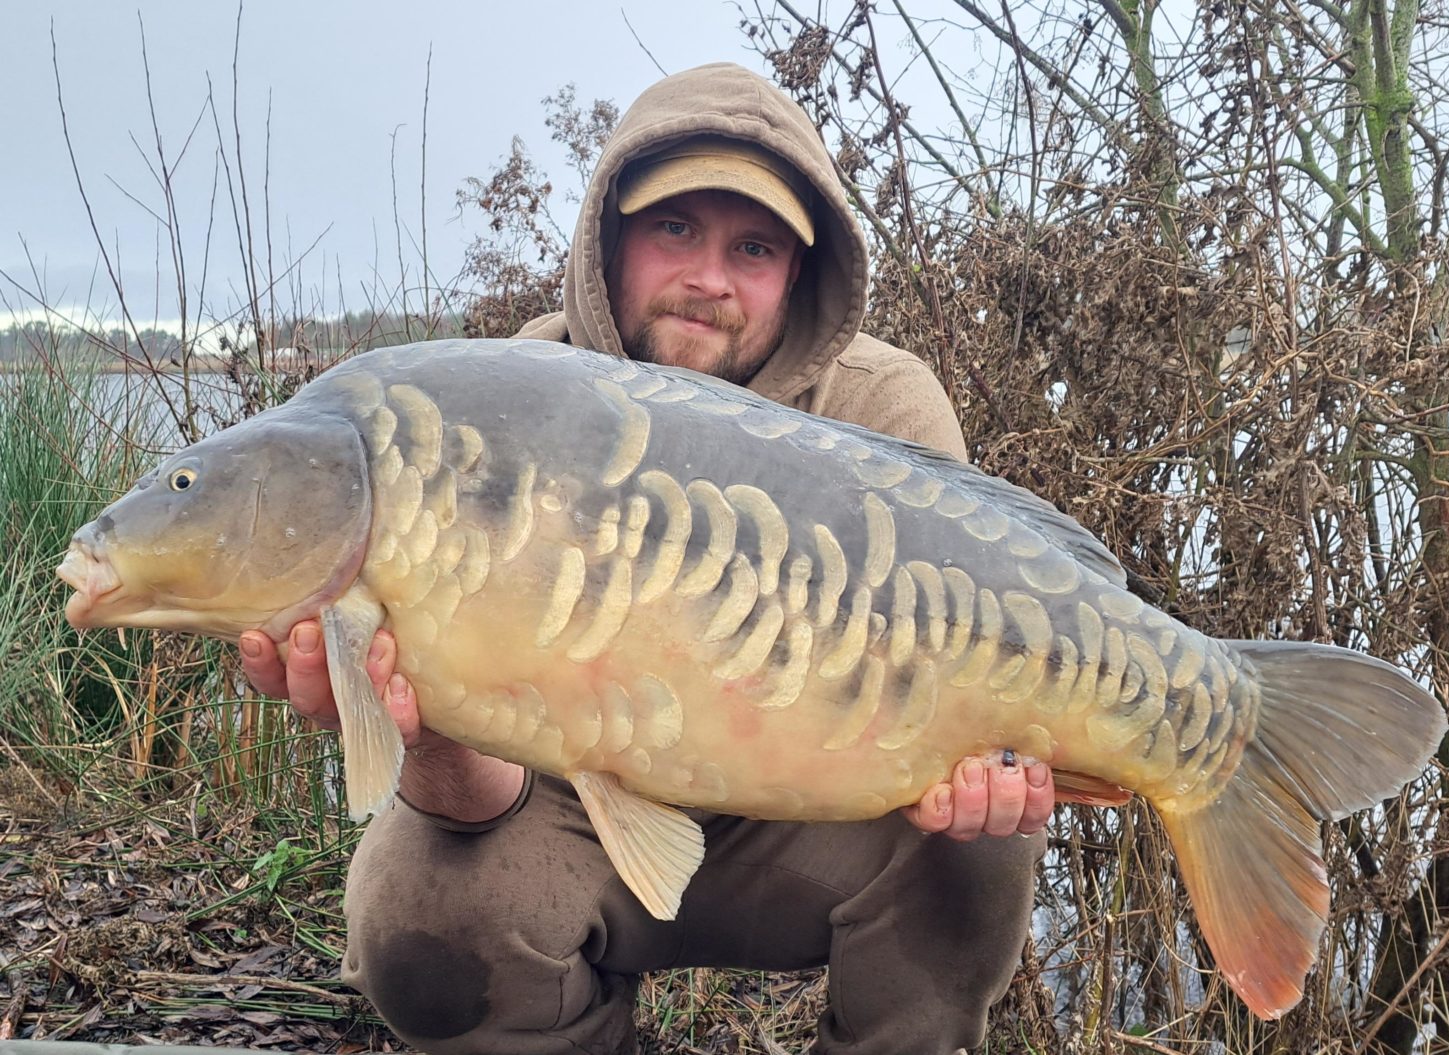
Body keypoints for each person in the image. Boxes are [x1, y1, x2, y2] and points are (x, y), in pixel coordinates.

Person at [239, 62, 1056, 1054]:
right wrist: (426, 727)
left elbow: (963, 682)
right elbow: (484, 791)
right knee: (419, 908)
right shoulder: (505, 404)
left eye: (751, 247)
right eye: (675, 229)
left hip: (803, 821)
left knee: (986, 836)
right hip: (576, 815)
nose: (708, 278)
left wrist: (996, 757)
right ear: (610, 239)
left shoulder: (885, 409)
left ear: (796, 270)